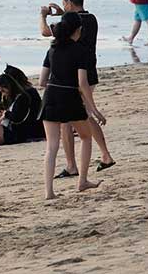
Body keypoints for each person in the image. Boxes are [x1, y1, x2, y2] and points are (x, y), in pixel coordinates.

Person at [39, 0, 115, 176]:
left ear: (69, 3)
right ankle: (103, 155)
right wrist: (63, 15)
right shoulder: (91, 19)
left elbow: (45, 31)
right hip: (89, 70)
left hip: (74, 75)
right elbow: (70, 24)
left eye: (64, 4)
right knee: (83, 116)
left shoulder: (73, 24)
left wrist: (43, 15)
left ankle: (73, 165)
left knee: (72, 120)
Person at [39, 13, 106, 200]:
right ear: (78, 30)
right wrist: (94, 109)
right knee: (86, 137)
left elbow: (42, 81)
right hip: (70, 98)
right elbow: (82, 83)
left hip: (51, 97)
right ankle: (82, 181)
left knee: (52, 146)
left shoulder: (52, 49)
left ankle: (49, 192)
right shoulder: (80, 50)